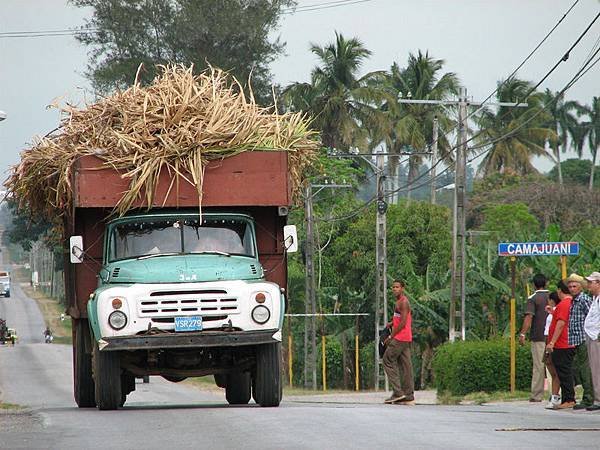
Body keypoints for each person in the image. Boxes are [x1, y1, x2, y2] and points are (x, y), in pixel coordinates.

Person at [382, 280, 414, 405]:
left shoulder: (404, 302)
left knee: (387, 360)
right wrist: (391, 323)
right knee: (406, 366)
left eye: (397, 287)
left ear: (402, 288)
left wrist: (391, 336)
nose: (394, 289)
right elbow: (398, 318)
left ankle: (398, 393)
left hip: (400, 337)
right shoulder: (399, 302)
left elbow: (403, 322)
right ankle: (409, 395)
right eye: (393, 287)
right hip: (405, 337)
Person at [518, 273, 549, 402]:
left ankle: (537, 394)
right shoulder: (552, 296)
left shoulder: (533, 298)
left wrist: (522, 333)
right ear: (546, 283)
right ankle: (557, 393)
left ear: (533, 285)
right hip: (553, 336)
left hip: (538, 336)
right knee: (554, 366)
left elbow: (529, 317)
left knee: (538, 366)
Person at [566, 273, 594, 409]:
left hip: (584, 338)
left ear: (580, 287)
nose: (572, 288)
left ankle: (589, 397)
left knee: (584, 369)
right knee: (580, 369)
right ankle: (587, 396)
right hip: (575, 339)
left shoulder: (584, 299)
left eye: (574, 286)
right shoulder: (573, 300)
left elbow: (592, 317)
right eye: (570, 286)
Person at [547, 280, 576, 409]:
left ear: (559, 290)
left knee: (564, 371)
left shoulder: (564, 303)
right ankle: (566, 398)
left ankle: (569, 398)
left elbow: (561, 323)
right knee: (562, 371)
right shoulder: (567, 304)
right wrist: (552, 312)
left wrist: (552, 341)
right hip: (564, 342)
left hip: (563, 343)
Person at [583, 272, 600, 411]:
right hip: (592, 336)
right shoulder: (595, 299)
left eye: (591, 282)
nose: (588, 285)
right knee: (594, 368)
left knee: (597, 369)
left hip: (596, 337)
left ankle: (598, 399)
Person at [544, 292, 561, 409]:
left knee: (555, 373)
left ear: (551, 300)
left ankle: (555, 397)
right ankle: (555, 395)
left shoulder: (552, 314)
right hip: (550, 344)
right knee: (554, 373)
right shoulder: (553, 313)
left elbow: (547, 332)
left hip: (551, 344)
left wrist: (548, 345)